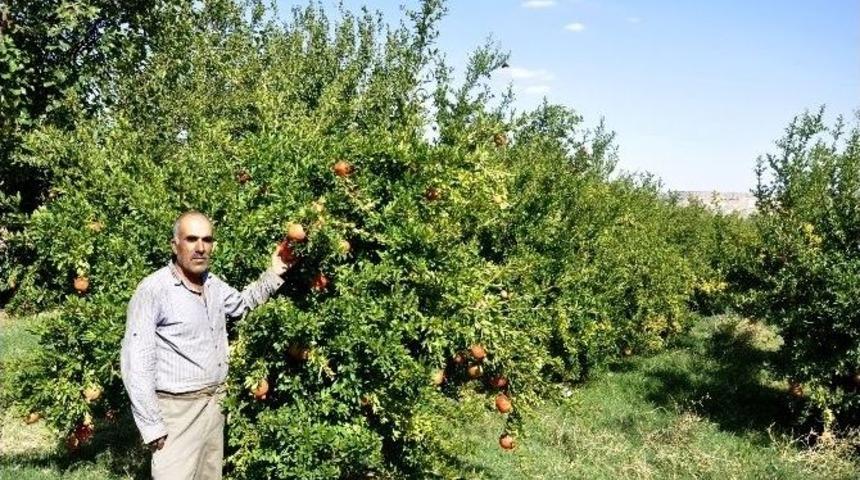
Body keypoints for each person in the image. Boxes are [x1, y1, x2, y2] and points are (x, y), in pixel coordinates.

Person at [121, 211, 292, 479]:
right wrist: (152, 425)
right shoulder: (154, 290)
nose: (200, 247)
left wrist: (274, 273)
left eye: (207, 239)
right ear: (174, 244)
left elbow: (242, 305)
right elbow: (136, 361)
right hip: (177, 413)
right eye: (191, 239)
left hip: (214, 406)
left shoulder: (213, 284)